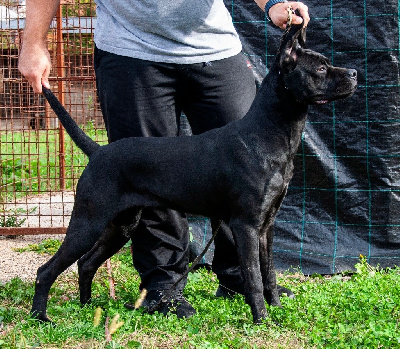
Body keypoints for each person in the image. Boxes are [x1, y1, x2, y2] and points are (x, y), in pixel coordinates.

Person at [19, 0, 310, 318]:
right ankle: (163, 287)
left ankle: (240, 277)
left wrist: (272, 4)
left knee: (247, 175)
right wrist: (33, 41)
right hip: (131, 50)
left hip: (214, 48)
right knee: (151, 182)